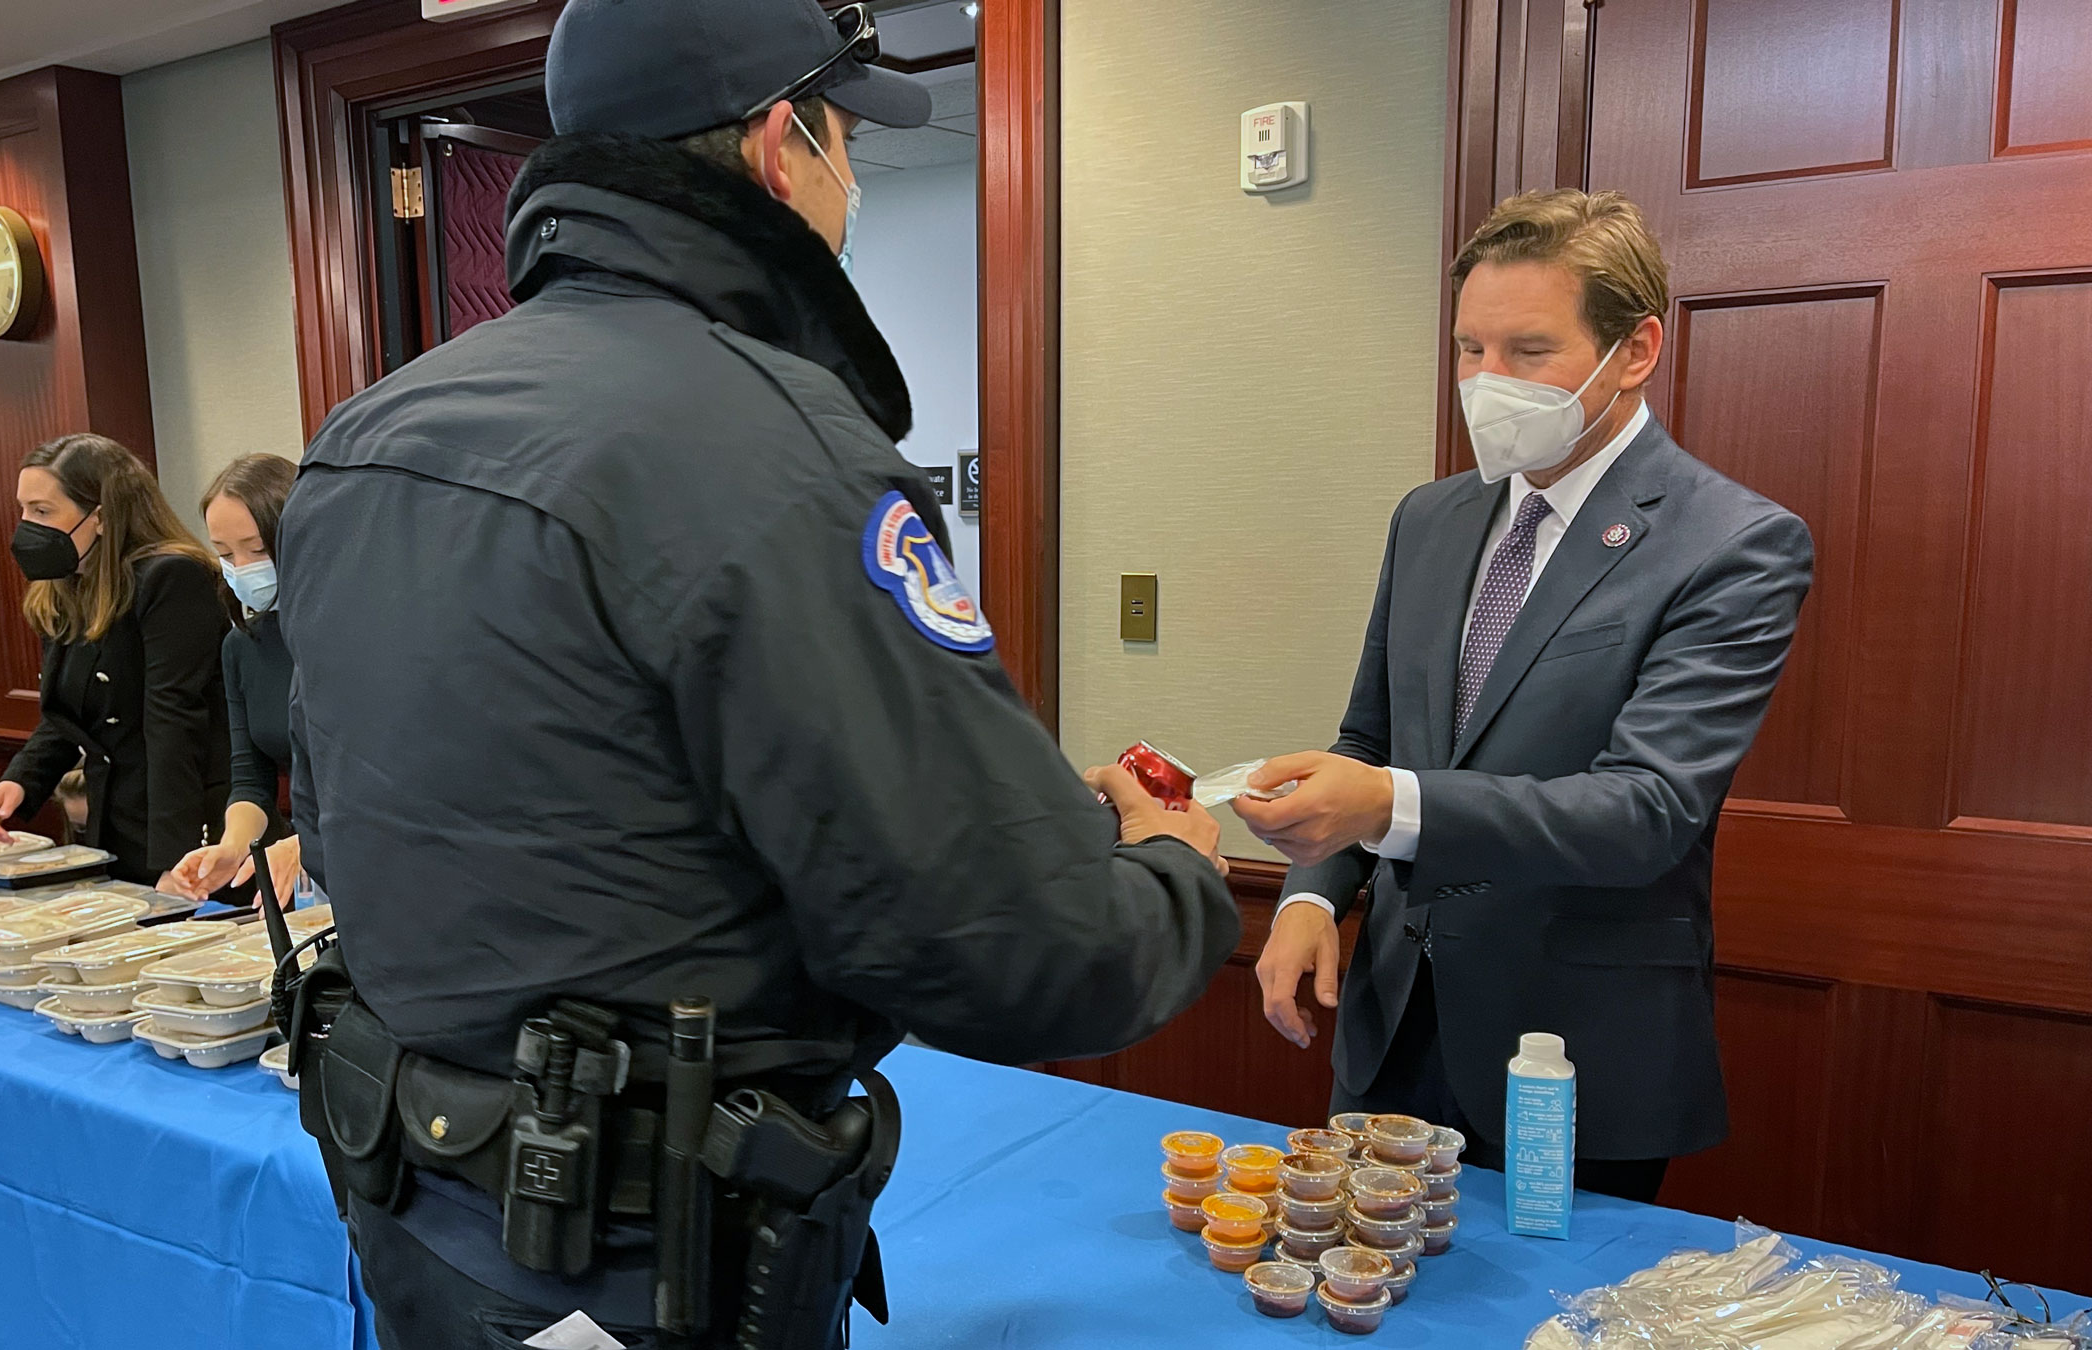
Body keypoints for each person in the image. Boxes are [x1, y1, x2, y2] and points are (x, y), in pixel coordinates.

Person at [274, 1, 1240, 1344]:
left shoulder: (366, 434)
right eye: (850, 140)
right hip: (640, 1258)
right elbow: (1023, 956)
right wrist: (1175, 867)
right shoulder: (783, 452)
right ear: (787, 146)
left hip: (419, 1208)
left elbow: (396, 823)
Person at [1234, 190, 1814, 1204]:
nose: (1486, 384)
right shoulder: (1431, 519)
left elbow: (1647, 810)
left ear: (1634, 350)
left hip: (1574, 1050)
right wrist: (1312, 894)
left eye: (1528, 351)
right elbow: (1370, 738)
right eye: (1469, 349)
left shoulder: (1732, 544)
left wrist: (1387, 807)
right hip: (1393, 1030)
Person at [0, 434, 231, 886]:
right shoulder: (63, 589)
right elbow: (65, 715)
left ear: (101, 517)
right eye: (23, 510)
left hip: (183, 821)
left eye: (42, 511)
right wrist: (21, 779)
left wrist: (178, 856)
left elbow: (175, 722)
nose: (25, 526)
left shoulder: (172, 578)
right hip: (113, 822)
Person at [164, 453, 303, 903]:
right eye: (225, 553)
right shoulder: (242, 645)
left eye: (258, 549)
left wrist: (313, 844)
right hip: (307, 865)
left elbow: (390, 779)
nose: (242, 567)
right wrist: (231, 846)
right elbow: (250, 779)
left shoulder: (352, 635)